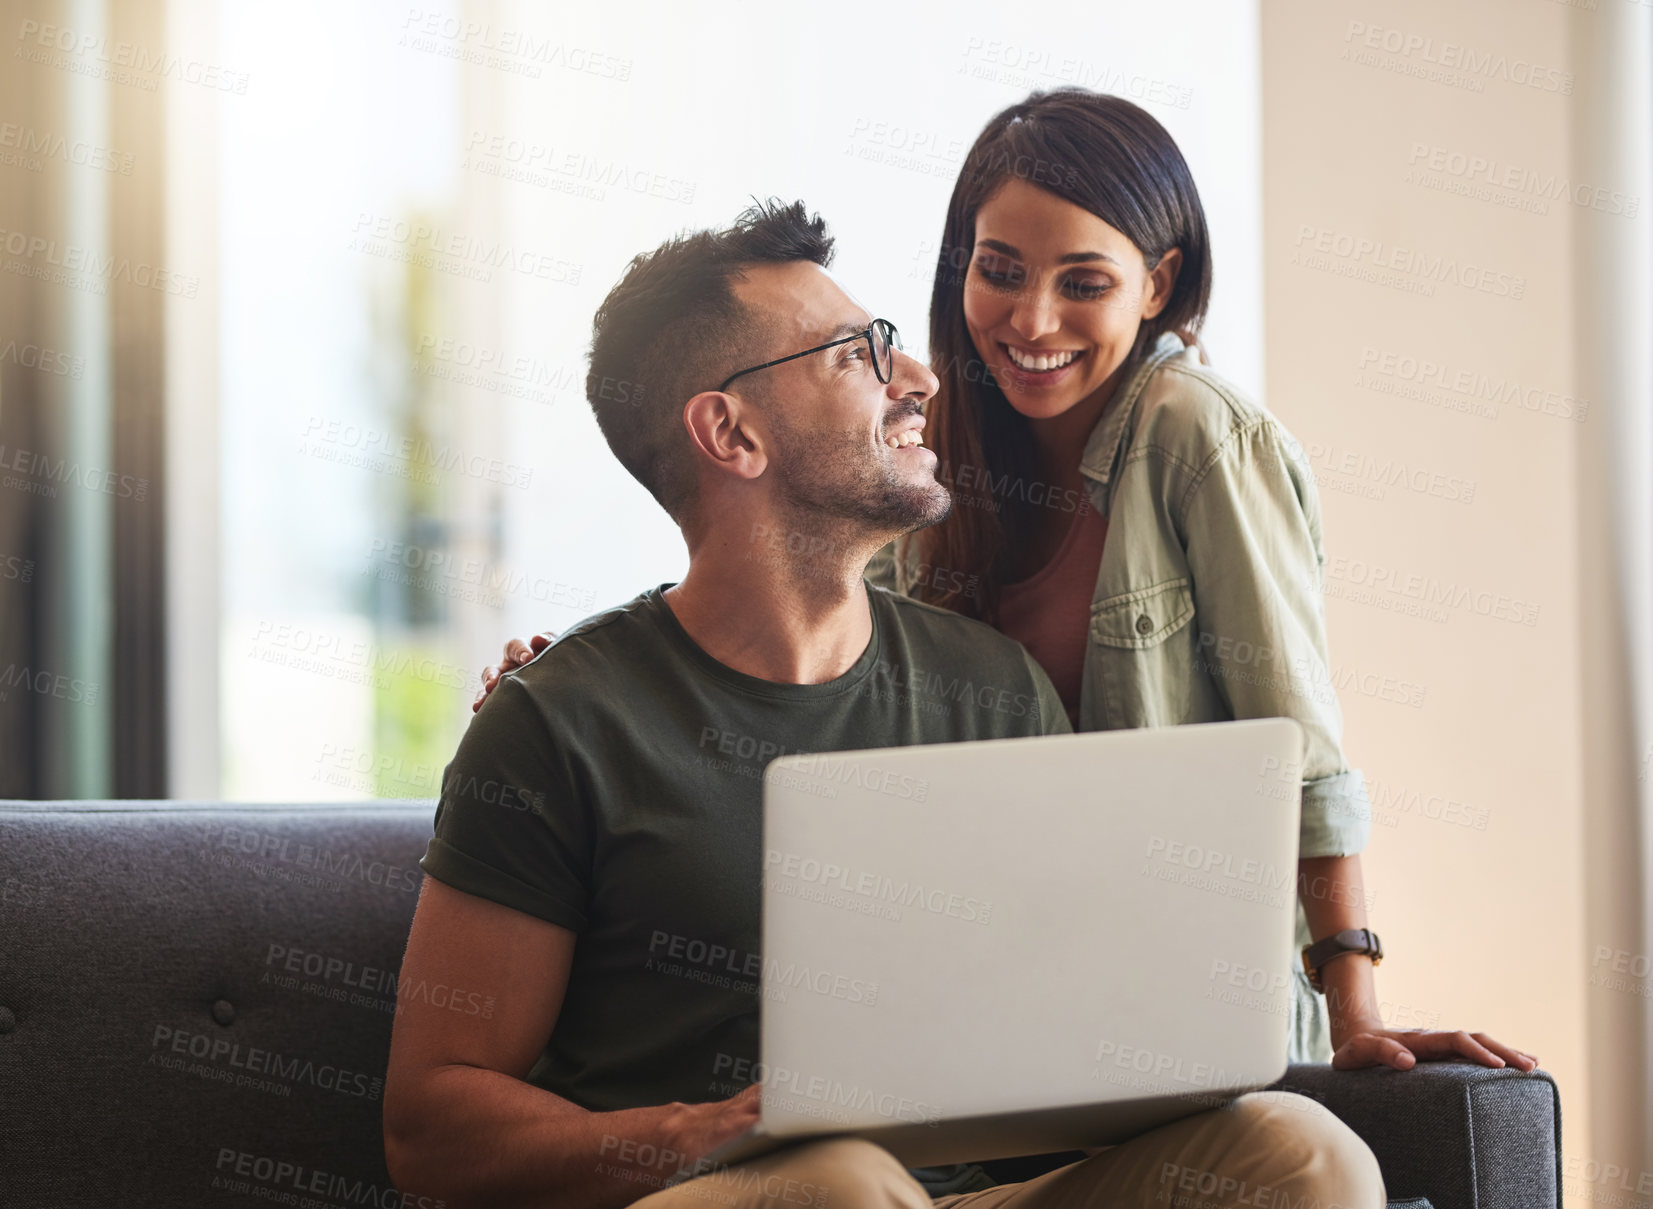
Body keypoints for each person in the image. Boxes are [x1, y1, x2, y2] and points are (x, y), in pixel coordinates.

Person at [480, 91, 1537, 1075]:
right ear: (961, 267)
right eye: (1000, 271)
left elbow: (1300, 744)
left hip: (1184, 989)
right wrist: (586, 689)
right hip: (996, 998)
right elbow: (785, 601)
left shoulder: (1195, 438)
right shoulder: (929, 460)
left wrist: (1355, 1006)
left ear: (1157, 284)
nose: (1032, 322)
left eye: (1084, 283)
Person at [387, 200, 1386, 1209]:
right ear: (730, 432)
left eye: (894, 345)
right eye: (856, 356)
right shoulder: (558, 721)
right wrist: (710, 1131)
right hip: (724, 1193)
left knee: (1300, 1153)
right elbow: (432, 1128)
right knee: (839, 1185)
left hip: (958, 1195)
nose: (920, 381)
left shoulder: (990, 689)